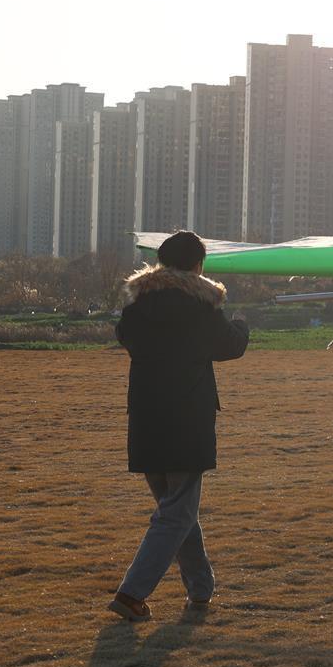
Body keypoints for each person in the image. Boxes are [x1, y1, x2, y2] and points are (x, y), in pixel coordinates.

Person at [108, 230, 249, 622]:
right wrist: (242, 324)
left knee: (178, 513)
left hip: (146, 423)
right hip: (187, 424)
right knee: (176, 514)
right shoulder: (201, 306)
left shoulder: (137, 306)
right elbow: (229, 345)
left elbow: (124, 337)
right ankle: (131, 594)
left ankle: (201, 590)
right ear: (198, 266)